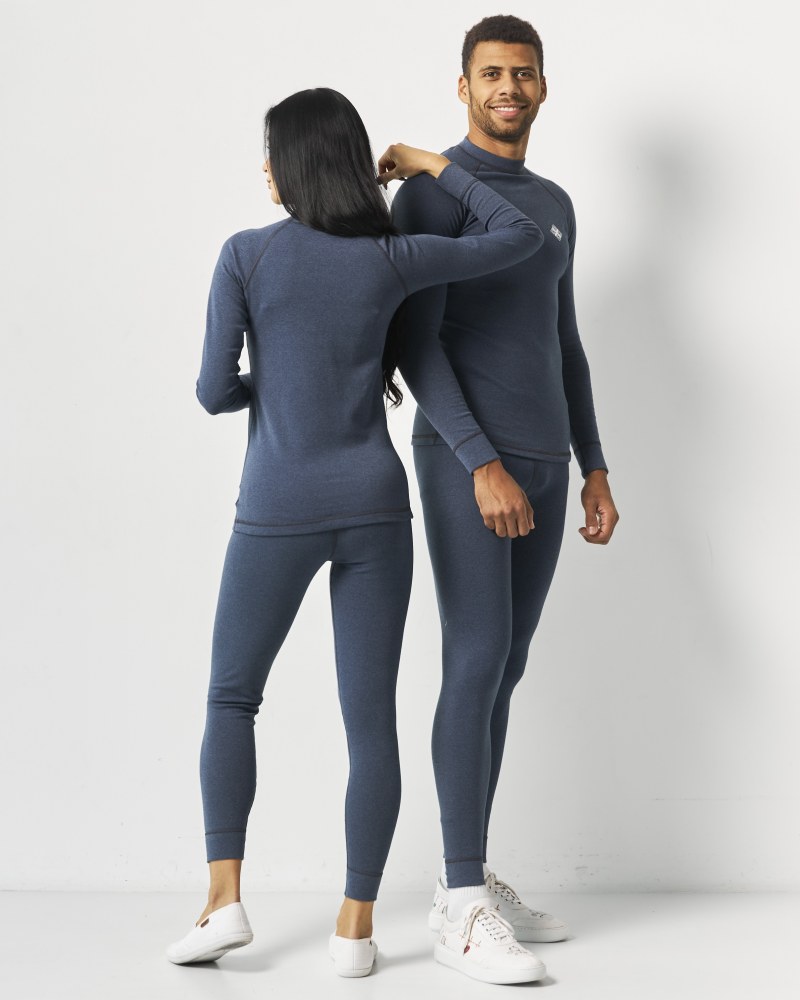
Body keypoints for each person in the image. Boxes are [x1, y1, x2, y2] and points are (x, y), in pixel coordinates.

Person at [164, 86, 545, 979]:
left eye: (271, 154)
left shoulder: (247, 255)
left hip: (277, 507)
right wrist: (432, 165)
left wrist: (273, 386)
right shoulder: (392, 257)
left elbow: (213, 392)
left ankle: (223, 902)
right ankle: (354, 930)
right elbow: (517, 233)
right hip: (376, 507)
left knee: (233, 699)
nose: (264, 170)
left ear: (292, 167)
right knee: (369, 723)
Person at [386, 14, 620, 985]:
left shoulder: (553, 203)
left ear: (543, 86)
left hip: (544, 460)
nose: (507, 88)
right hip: (463, 459)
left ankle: (469, 867)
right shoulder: (431, 196)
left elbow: (562, 340)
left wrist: (592, 462)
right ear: (462, 87)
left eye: (522, 73)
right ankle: (455, 903)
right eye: (489, 74)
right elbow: (415, 342)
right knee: (475, 657)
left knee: (506, 667)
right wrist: (478, 459)